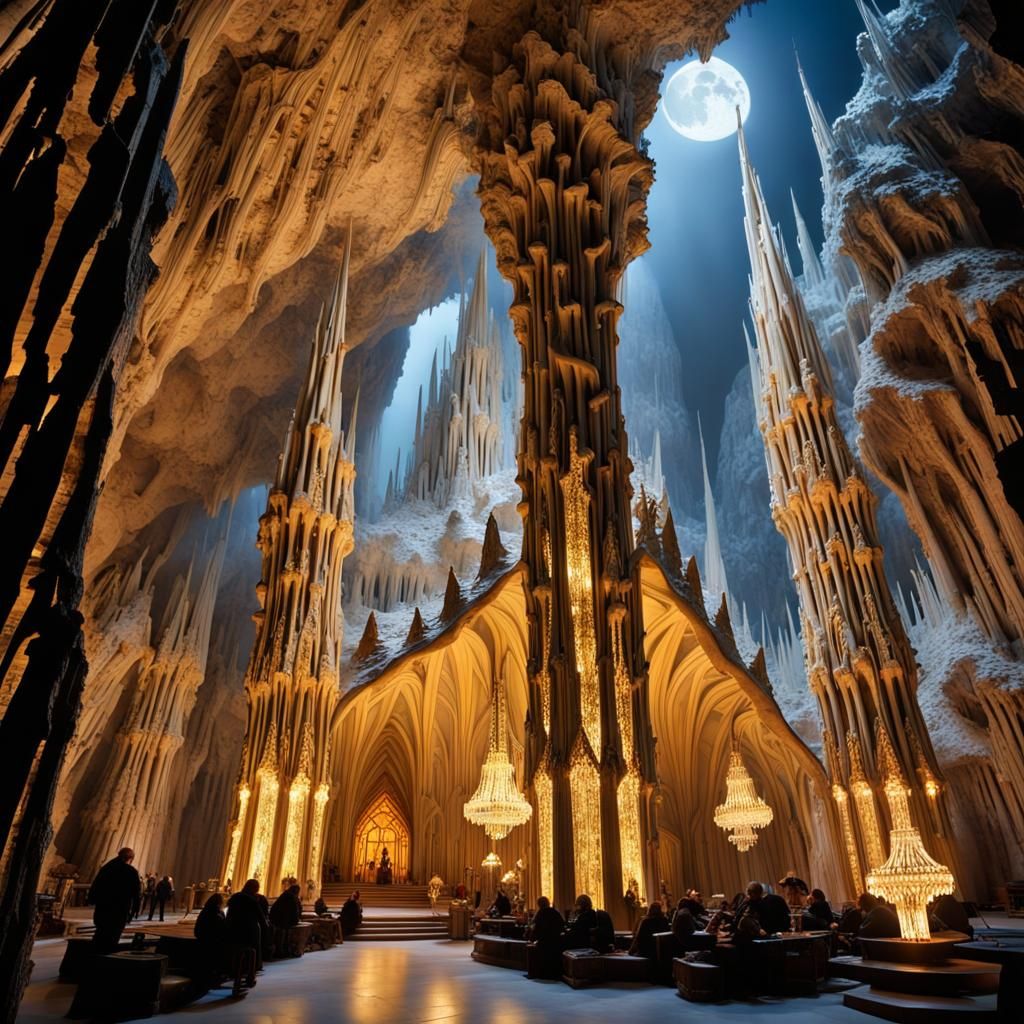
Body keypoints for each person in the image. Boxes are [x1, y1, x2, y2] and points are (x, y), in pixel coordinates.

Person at [88, 847, 141, 952]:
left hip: (103, 908)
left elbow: (96, 885)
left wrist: (92, 899)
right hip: (119, 910)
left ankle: (93, 959)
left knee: (100, 934)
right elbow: (136, 893)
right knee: (113, 937)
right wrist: (135, 909)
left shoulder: (107, 868)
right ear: (130, 859)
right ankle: (105, 959)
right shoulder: (131, 871)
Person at [227, 879, 269, 975]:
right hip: (250, 928)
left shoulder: (235, 897)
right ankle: (251, 969)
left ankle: (234, 967)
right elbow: (260, 915)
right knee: (252, 949)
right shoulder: (253, 900)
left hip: (235, 927)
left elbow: (229, 913)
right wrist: (265, 926)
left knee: (237, 948)